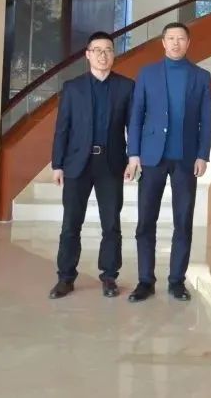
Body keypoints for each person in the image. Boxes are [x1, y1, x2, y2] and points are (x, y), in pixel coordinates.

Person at [126, 22, 211, 303]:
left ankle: (177, 281)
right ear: (163, 42)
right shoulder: (147, 73)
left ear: (188, 42)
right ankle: (145, 281)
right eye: (171, 38)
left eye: (181, 38)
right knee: (145, 221)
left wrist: (203, 154)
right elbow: (136, 115)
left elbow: (206, 120)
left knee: (183, 222)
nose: (176, 43)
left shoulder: (201, 76)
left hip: (186, 158)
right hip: (152, 157)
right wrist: (134, 153)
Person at [48, 31, 134, 299]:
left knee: (111, 224)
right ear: (87, 55)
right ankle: (65, 278)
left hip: (111, 163)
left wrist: (134, 157)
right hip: (77, 164)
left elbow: (134, 127)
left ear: (113, 54)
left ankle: (109, 276)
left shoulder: (126, 87)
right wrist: (57, 164)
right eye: (97, 50)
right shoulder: (73, 88)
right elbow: (62, 129)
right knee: (71, 224)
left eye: (108, 50)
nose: (102, 55)